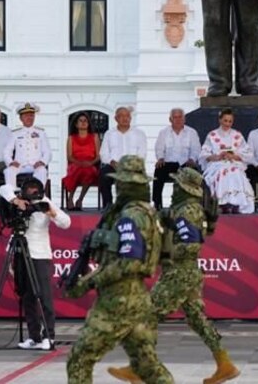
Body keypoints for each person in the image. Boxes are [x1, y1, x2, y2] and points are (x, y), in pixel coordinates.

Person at [107, 168, 239, 384]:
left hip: (179, 272)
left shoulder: (187, 211)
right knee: (197, 320)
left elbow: (189, 245)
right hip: (188, 272)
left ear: (185, 188)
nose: (173, 188)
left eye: (177, 185)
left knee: (147, 316)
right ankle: (225, 364)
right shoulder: (186, 209)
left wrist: (163, 252)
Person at [65, 155, 174, 384]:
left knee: (79, 358)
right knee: (148, 367)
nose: (117, 187)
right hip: (138, 300)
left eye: (120, 183)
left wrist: (89, 282)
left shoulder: (130, 216)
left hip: (118, 301)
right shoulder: (147, 211)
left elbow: (129, 262)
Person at [0, 177, 71, 351]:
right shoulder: (17, 199)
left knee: (43, 295)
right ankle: (34, 336)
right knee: (27, 296)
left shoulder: (45, 202)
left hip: (39, 254)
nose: (32, 195)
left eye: (35, 192)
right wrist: (16, 201)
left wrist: (50, 213)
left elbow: (66, 222)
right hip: (21, 253)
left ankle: (49, 336)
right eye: (28, 191)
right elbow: (3, 188)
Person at [201, 108, 256, 214]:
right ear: (220, 120)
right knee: (222, 172)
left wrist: (234, 156)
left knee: (234, 171)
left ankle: (236, 203)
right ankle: (222, 202)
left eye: (230, 121)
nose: (227, 124)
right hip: (217, 164)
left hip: (234, 163)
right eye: (225, 121)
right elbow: (204, 154)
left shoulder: (237, 135)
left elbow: (248, 154)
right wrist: (217, 156)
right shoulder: (212, 135)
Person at [152, 108, 201, 210]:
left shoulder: (191, 132)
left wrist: (192, 159)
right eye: (175, 117)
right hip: (168, 164)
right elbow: (159, 148)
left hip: (186, 164)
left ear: (184, 119)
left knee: (195, 173)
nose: (178, 120)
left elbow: (196, 149)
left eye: (180, 117)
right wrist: (160, 158)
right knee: (158, 171)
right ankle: (157, 205)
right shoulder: (164, 133)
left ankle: (193, 205)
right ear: (170, 119)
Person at [99, 106, 148, 208]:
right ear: (116, 119)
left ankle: (136, 206)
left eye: (127, 116)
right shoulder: (109, 134)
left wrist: (131, 164)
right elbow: (103, 154)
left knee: (140, 177)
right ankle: (108, 206)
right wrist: (112, 162)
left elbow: (142, 154)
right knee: (104, 174)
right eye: (121, 116)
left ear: (130, 118)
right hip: (114, 166)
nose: (125, 118)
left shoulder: (139, 134)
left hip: (133, 167)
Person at [4, 102, 51, 189]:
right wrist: (11, 162)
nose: (29, 118)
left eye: (31, 115)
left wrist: (42, 162)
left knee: (42, 171)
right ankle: (14, 197)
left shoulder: (41, 133)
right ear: (21, 118)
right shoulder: (15, 133)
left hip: (35, 165)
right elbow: (7, 151)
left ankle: (37, 197)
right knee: (8, 171)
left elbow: (47, 151)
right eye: (26, 115)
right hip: (20, 166)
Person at [61, 111, 100, 211]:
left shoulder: (94, 137)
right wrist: (79, 163)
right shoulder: (71, 138)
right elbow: (69, 156)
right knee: (77, 170)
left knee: (89, 171)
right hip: (75, 163)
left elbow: (98, 156)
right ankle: (70, 199)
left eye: (85, 121)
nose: (83, 122)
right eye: (80, 121)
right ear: (76, 124)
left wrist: (90, 163)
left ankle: (80, 200)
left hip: (90, 164)